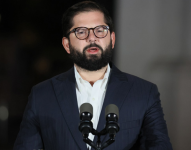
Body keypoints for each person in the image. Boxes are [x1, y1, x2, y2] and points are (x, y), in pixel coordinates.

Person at [14, 1, 173, 150]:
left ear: (112, 39)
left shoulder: (144, 92)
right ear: (67, 45)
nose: (92, 38)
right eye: (81, 32)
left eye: (100, 30)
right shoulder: (42, 95)